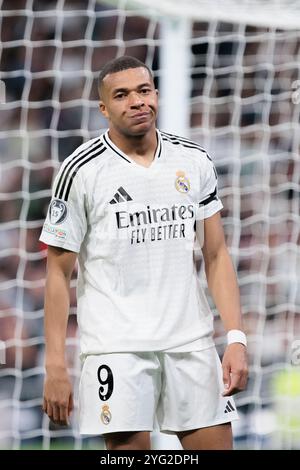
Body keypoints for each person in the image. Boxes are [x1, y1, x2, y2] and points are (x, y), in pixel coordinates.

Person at [40, 56, 248, 450]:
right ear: (104, 108)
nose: (137, 101)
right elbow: (57, 272)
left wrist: (236, 337)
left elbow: (217, 255)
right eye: (121, 95)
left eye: (144, 90)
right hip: (117, 348)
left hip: (191, 343)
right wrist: (55, 365)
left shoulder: (194, 160)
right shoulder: (80, 171)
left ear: (156, 94)